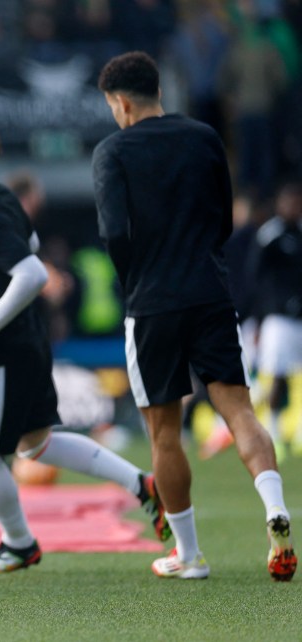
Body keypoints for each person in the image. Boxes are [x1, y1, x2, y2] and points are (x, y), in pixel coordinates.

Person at [0, 121, 169, 574]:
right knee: (35, 445)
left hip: (1, 350)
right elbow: (29, 245)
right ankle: (140, 484)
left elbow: (33, 274)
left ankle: (19, 543)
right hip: (28, 342)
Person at [92, 50, 295, 581]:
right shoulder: (204, 137)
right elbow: (223, 215)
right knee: (240, 411)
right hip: (210, 293)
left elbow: (114, 232)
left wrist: (134, 276)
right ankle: (275, 507)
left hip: (152, 302)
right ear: (158, 90)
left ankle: (188, 555)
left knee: (164, 432)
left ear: (119, 102)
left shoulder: (112, 151)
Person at [250, 181, 302, 459]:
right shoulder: (270, 234)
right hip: (278, 319)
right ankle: (272, 431)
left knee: (299, 378)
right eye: (290, 201)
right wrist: (259, 317)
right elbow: (255, 278)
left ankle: (299, 431)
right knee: (275, 376)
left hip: (300, 318)